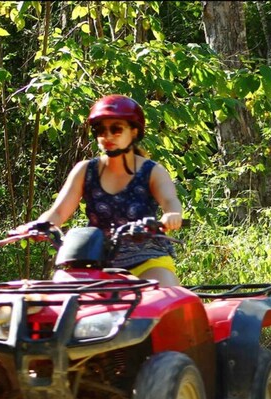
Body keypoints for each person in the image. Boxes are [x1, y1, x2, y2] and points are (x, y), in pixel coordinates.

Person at [14, 95, 183, 287]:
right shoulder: (85, 170)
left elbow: (170, 200)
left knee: (162, 292)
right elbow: (59, 212)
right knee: (59, 299)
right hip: (94, 264)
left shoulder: (152, 171)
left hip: (147, 261)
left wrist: (172, 215)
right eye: (101, 130)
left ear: (134, 132)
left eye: (116, 129)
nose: (108, 136)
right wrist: (39, 225)